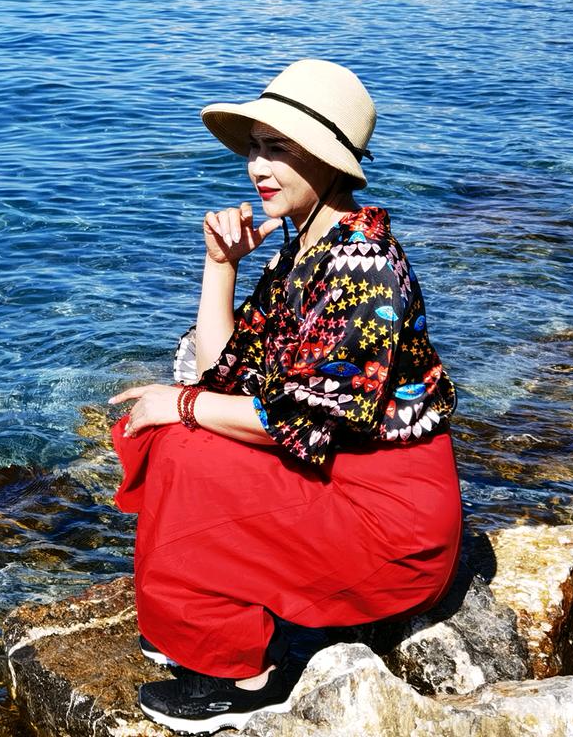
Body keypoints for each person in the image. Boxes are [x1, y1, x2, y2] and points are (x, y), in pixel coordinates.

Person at [107, 58, 461, 735]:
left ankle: (247, 680)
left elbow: (300, 421)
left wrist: (178, 404)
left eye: (280, 150)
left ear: (328, 160)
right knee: (176, 433)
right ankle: (197, 622)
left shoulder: (367, 266)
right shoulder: (302, 253)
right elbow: (225, 376)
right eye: (255, 149)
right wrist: (220, 268)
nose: (257, 169)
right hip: (344, 482)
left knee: (183, 441)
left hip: (393, 527)